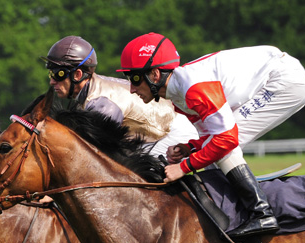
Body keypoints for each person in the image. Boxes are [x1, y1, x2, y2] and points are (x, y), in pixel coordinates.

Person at [117, 33, 305, 238]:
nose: (131, 88)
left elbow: (226, 140)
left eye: (135, 78)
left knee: (226, 147)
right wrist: (189, 148)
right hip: (275, 76)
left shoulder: (194, 88)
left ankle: (262, 214)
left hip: (283, 81)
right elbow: (210, 137)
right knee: (214, 151)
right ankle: (234, 210)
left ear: (155, 74)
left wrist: (183, 167)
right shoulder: (178, 97)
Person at [44, 35, 197, 157]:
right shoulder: (89, 95)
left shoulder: (100, 104)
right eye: (51, 74)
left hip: (170, 133)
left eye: (58, 74)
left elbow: (98, 155)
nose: (52, 81)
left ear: (77, 74)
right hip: (160, 132)